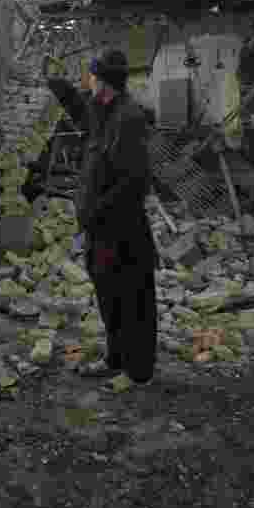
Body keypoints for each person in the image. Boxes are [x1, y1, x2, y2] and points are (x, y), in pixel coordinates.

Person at [44, 50, 159, 387]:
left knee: (131, 298)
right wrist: (56, 83)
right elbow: (80, 111)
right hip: (99, 228)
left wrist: (97, 210)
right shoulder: (102, 111)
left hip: (121, 228)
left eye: (92, 77)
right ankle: (115, 358)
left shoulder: (128, 119)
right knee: (109, 295)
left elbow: (135, 181)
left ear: (104, 81)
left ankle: (137, 372)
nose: (88, 83)